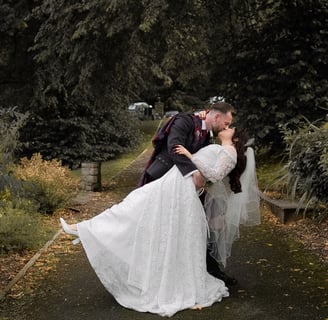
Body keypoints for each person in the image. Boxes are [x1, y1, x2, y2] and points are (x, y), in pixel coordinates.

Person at [60, 127, 259, 317]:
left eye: (231, 127)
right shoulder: (224, 148)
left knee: (135, 209)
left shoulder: (230, 152)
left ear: (235, 139)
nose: (227, 126)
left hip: (180, 189)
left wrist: (190, 156)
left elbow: (214, 174)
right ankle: (87, 230)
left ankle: (87, 230)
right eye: (227, 123)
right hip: (175, 184)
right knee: (136, 208)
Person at [138, 101, 237, 285]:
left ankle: (209, 270)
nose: (227, 127)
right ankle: (152, 272)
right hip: (162, 179)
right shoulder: (184, 121)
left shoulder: (207, 134)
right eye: (226, 123)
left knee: (206, 219)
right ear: (216, 116)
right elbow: (174, 146)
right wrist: (194, 172)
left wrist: (199, 174)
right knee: (157, 226)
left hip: (186, 186)